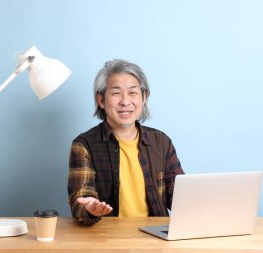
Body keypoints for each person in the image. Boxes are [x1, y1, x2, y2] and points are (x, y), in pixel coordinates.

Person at [67, 59, 184, 225]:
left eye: (132, 93)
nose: (125, 101)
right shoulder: (84, 145)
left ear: (144, 97)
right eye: (116, 93)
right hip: (106, 238)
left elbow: (180, 197)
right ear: (101, 100)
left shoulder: (162, 142)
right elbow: (81, 199)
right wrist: (90, 208)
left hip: (156, 238)